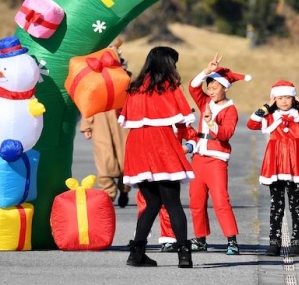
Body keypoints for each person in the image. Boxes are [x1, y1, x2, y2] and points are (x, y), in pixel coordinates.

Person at [119, 46, 196, 268]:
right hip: (161, 144)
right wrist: (190, 141)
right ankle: (184, 255)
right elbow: (184, 119)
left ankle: (136, 254)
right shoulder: (169, 88)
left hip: (137, 146)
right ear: (168, 64)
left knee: (151, 203)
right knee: (172, 203)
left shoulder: (134, 89)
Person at [247, 80, 299, 256]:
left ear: (293, 97)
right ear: (274, 98)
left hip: (296, 162)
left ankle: (297, 241)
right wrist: (267, 106)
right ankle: (274, 241)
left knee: (296, 205)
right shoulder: (270, 117)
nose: (284, 101)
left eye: (288, 97)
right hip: (276, 163)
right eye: (280, 98)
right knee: (276, 205)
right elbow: (251, 124)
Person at [185, 54, 250, 255]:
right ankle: (200, 238)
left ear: (225, 88)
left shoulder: (231, 110)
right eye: (209, 87)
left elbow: (225, 134)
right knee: (196, 201)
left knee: (221, 200)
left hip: (216, 160)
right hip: (198, 158)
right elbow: (193, 87)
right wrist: (207, 71)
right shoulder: (205, 101)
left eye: (214, 88)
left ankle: (231, 240)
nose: (210, 91)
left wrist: (211, 121)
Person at [79, 40, 131, 207]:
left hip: (122, 123)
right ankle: (108, 193)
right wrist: (87, 125)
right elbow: (89, 102)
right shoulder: (95, 80)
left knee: (126, 160)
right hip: (101, 122)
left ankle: (124, 189)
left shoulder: (125, 77)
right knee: (104, 160)